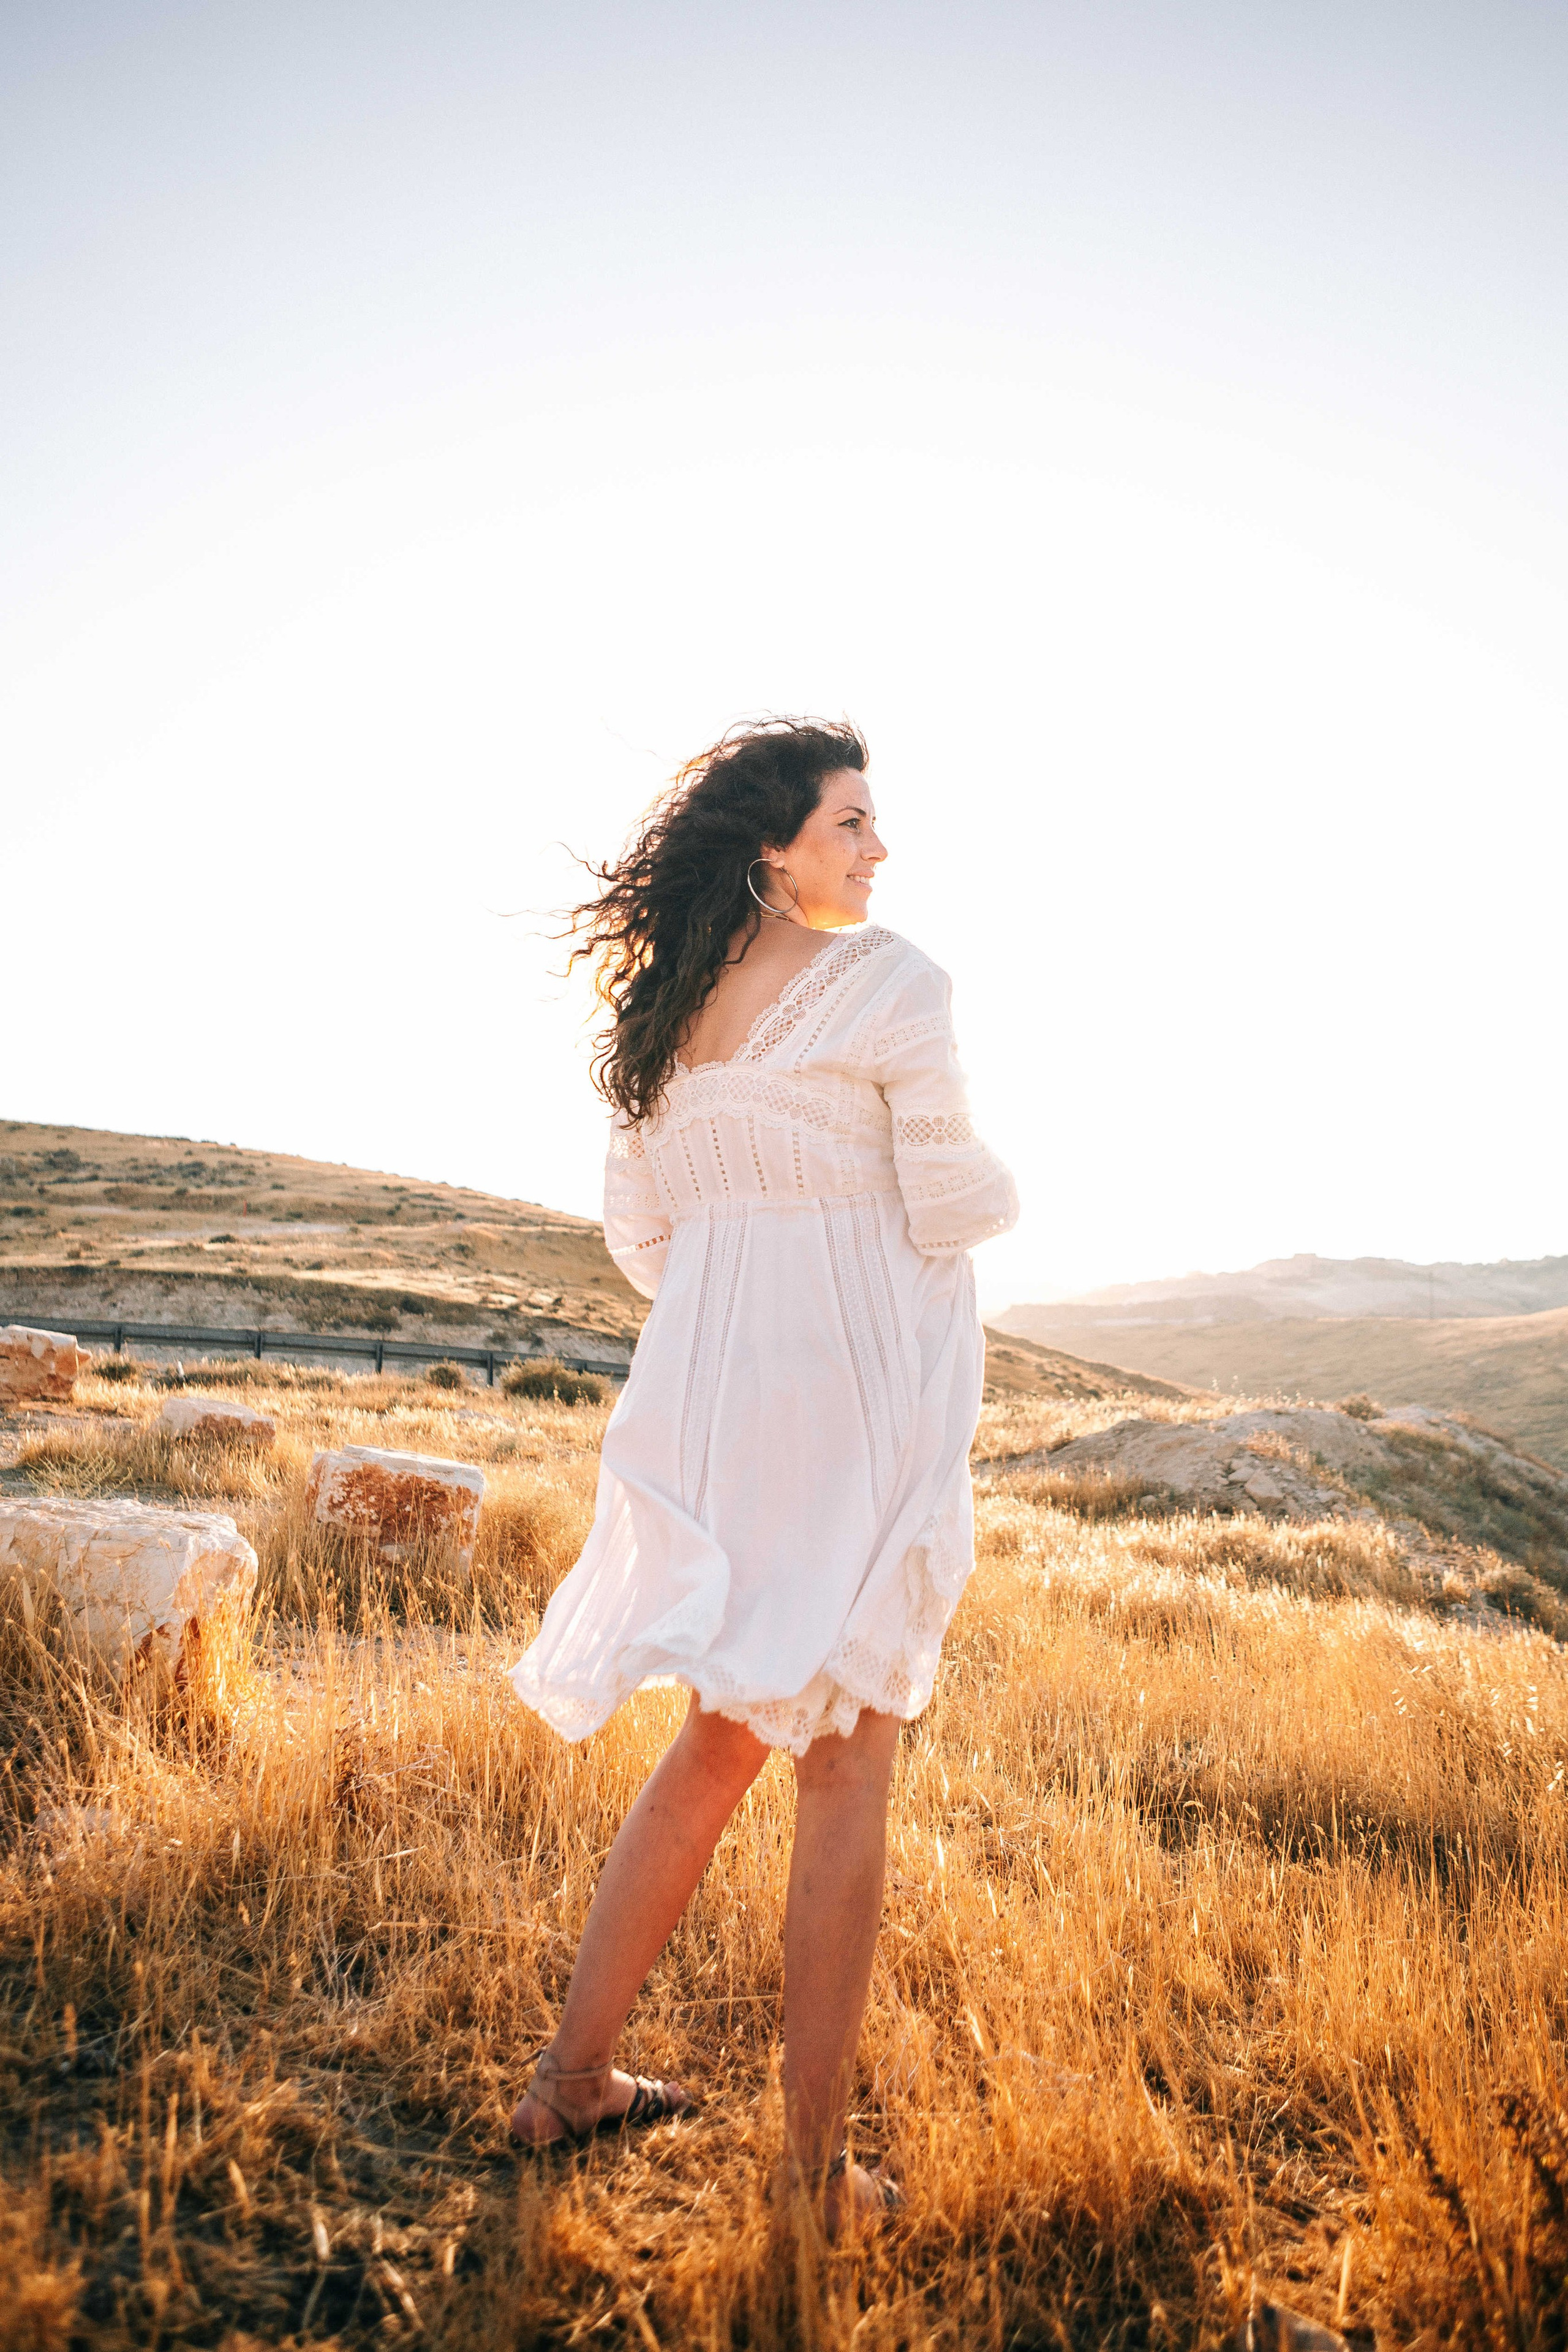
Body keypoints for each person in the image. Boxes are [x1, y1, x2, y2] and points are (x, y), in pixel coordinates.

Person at [508, 717, 1018, 2229]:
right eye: (851, 823)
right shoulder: (893, 985)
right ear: (775, 849)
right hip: (850, 1396)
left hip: (718, 1395)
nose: (877, 850)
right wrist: (1005, 1185)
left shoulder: (660, 1018)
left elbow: (644, 1242)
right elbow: (946, 1200)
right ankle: (808, 2183)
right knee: (845, 1753)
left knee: (719, 1742)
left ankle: (571, 2080)